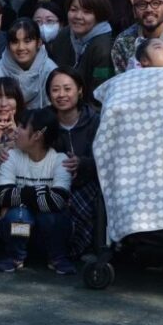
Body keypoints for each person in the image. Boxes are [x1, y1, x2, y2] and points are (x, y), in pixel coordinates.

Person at [0, 106, 75, 274]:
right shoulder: (11, 157)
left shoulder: (60, 161)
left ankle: (57, 257)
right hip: (20, 231)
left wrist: (20, 196)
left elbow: (58, 201)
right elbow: (2, 196)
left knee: (50, 217)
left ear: (37, 135)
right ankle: (16, 256)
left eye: (23, 127)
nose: (16, 130)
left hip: (49, 233)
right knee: (19, 216)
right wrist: (42, 193)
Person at [47, 67, 100, 259]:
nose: (61, 95)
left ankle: (90, 247)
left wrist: (83, 164)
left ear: (79, 90)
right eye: (55, 90)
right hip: (53, 182)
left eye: (67, 89)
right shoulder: (43, 121)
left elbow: (107, 160)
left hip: (89, 183)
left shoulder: (96, 121)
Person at [47, 0, 116, 90]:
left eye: (87, 12)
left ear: (99, 15)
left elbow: (101, 91)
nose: (78, 16)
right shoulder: (64, 34)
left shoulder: (104, 48)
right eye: (73, 10)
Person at [0, 18, 56, 108]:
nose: (21, 47)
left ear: (39, 43)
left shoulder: (50, 70)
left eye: (27, 41)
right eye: (15, 42)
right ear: (8, 45)